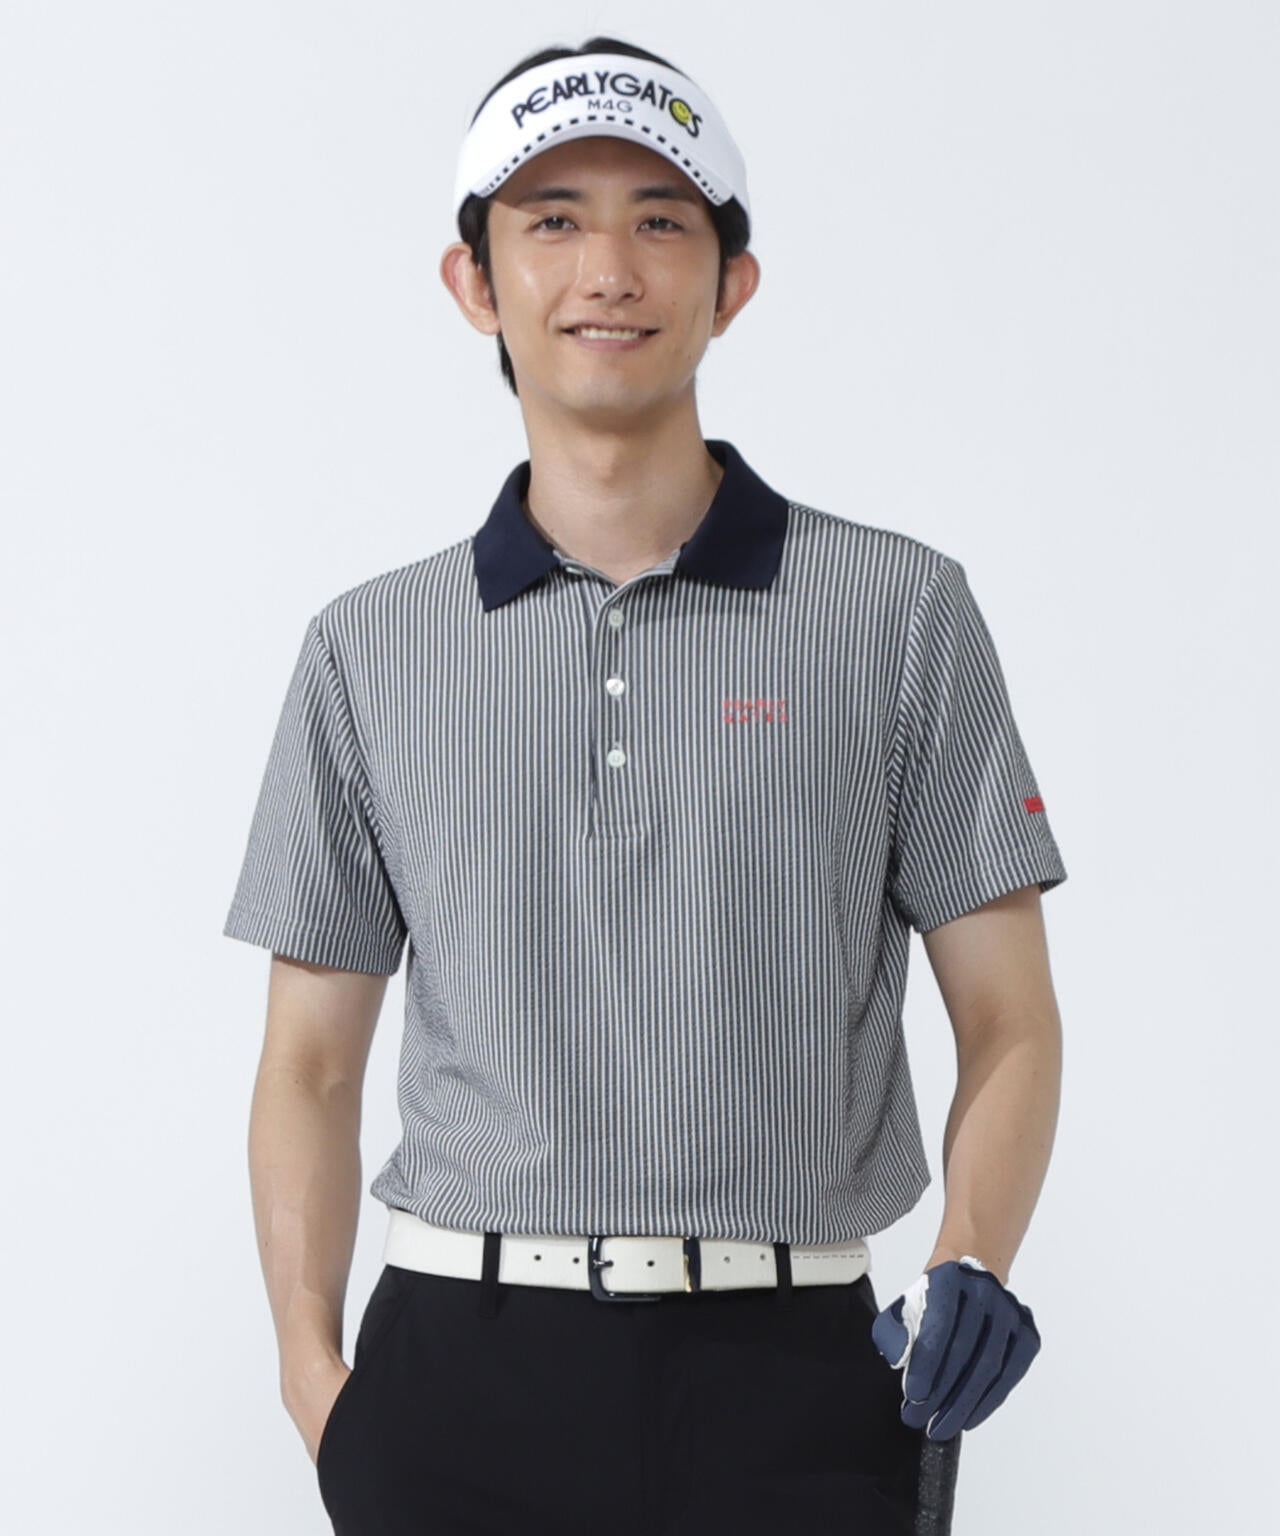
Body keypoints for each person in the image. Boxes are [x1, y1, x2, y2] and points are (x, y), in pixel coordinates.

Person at [223, 34, 1068, 1536]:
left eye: (660, 220)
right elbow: (308, 1065)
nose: (606, 269)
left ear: (732, 284)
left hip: (799, 1384)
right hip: (456, 1384)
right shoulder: (370, 649)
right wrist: (314, 1378)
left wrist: (974, 1255)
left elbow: (1009, 1017)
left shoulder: (900, 615)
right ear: (474, 282)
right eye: (552, 219)